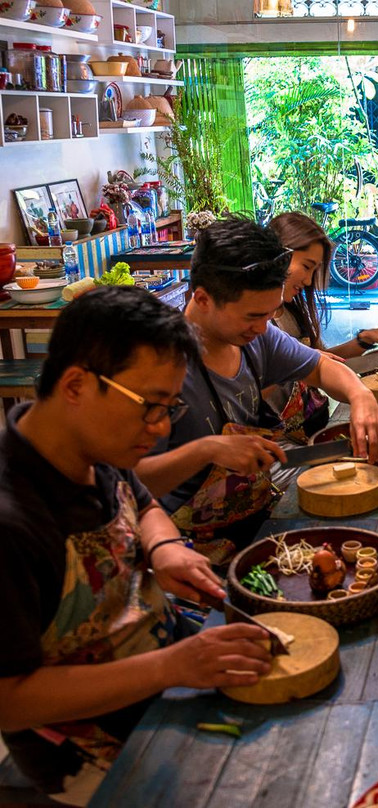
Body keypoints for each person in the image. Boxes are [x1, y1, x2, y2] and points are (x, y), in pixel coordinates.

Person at [0, 287, 271, 806]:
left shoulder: (94, 444)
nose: (162, 427)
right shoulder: (13, 522)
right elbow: (9, 700)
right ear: (76, 384)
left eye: (169, 406)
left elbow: (143, 503)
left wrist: (165, 547)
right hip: (89, 744)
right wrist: (172, 668)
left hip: (163, 655)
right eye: (150, 406)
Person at [134, 216, 378, 561]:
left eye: (270, 314)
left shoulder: (259, 337)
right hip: (192, 550)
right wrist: (206, 450)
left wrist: (361, 397)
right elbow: (129, 484)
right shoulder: (160, 367)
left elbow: (321, 366)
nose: (263, 327)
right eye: (251, 316)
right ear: (203, 298)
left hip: (260, 522)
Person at [266, 212, 378, 441]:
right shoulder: (258, 327)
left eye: (313, 270)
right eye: (306, 267)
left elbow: (322, 362)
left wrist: (364, 340)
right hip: (276, 444)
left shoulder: (290, 311)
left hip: (306, 433)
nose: (308, 281)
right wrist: (291, 366)